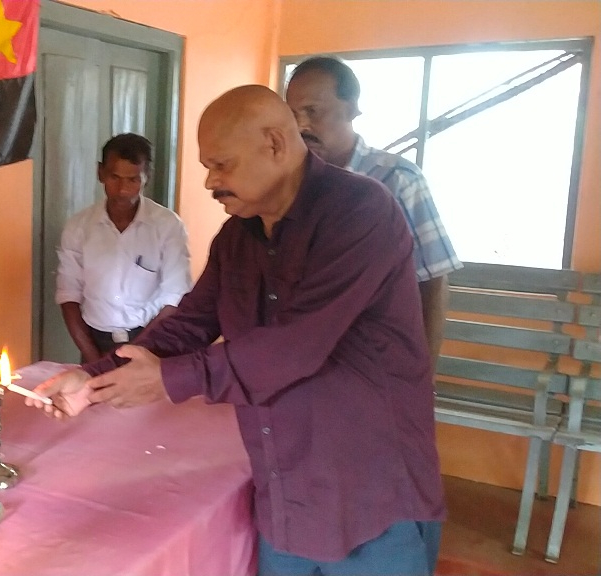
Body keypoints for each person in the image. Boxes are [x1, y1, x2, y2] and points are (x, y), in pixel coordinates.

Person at [29, 86, 445, 576]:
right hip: (285, 491)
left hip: (370, 497)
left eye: (221, 165)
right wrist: (93, 378)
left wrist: (168, 380)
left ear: (274, 144)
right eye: (208, 167)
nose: (211, 181)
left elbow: (294, 346)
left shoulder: (358, 211)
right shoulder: (237, 236)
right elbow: (190, 323)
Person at [285, 56, 462, 367]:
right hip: (303, 360)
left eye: (313, 111)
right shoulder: (289, 184)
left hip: (375, 363)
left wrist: (423, 377)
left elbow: (432, 281)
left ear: (352, 108)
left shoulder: (397, 180)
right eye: (292, 114)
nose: (301, 126)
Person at [55, 133, 191, 362]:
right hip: (95, 344)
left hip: (152, 342)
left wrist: (138, 353)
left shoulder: (168, 226)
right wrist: (95, 360)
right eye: (114, 177)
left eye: (133, 180)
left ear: (147, 177)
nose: (123, 190)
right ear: (100, 173)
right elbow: (69, 295)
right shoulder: (78, 227)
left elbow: (175, 298)